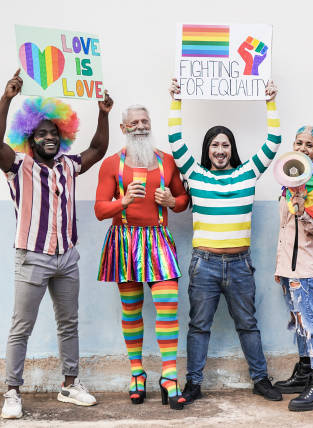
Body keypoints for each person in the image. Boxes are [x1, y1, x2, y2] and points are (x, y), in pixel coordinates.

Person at [0, 70, 113, 419]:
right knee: (22, 326)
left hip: (67, 258)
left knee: (69, 323)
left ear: (62, 136)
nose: (49, 138)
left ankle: (69, 384)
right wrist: (6, 99)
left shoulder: (69, 165)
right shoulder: (18, 165)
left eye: (54, 133)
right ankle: (13, 392)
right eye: (41, 133)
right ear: (30, 138)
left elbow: (98, 148)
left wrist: (104, 114)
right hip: (32, 257)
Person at [168, 78, 282, 403]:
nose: (220, 151)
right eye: (215, 145)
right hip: (204, 264)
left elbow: (274, 140)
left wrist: (270, 101)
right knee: (199, 326)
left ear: (232, 149)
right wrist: (176, 100)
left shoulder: (248, 173)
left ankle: (260, 380)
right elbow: (175, 139)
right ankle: (193, 384)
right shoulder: (194, 173)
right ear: (207, 149)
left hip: (240, 265)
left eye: (225, 145)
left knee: (248, 324)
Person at [94, 105, 190, 409]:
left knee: (168, 308)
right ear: (123, 129)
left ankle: (170, 376)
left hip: (159, 240)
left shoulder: (167, 161)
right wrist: (122, 202)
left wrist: (172, 200)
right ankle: (137, 373)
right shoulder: (111, 165)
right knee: (131, 310)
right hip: (124, 242)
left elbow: (184, 200)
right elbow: (99, 210)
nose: (140, 126)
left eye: (144, 121)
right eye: (133, 122)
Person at [273, 126, 313, 411]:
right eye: (298, 142)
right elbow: (285, 230)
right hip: (291, 268)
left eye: (309, 145)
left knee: (311, 325)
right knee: (299, 323)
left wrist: (304, 210)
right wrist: (281, 267)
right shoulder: (288, 184)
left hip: (308, 269)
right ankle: (304, 372)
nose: (302, 148)